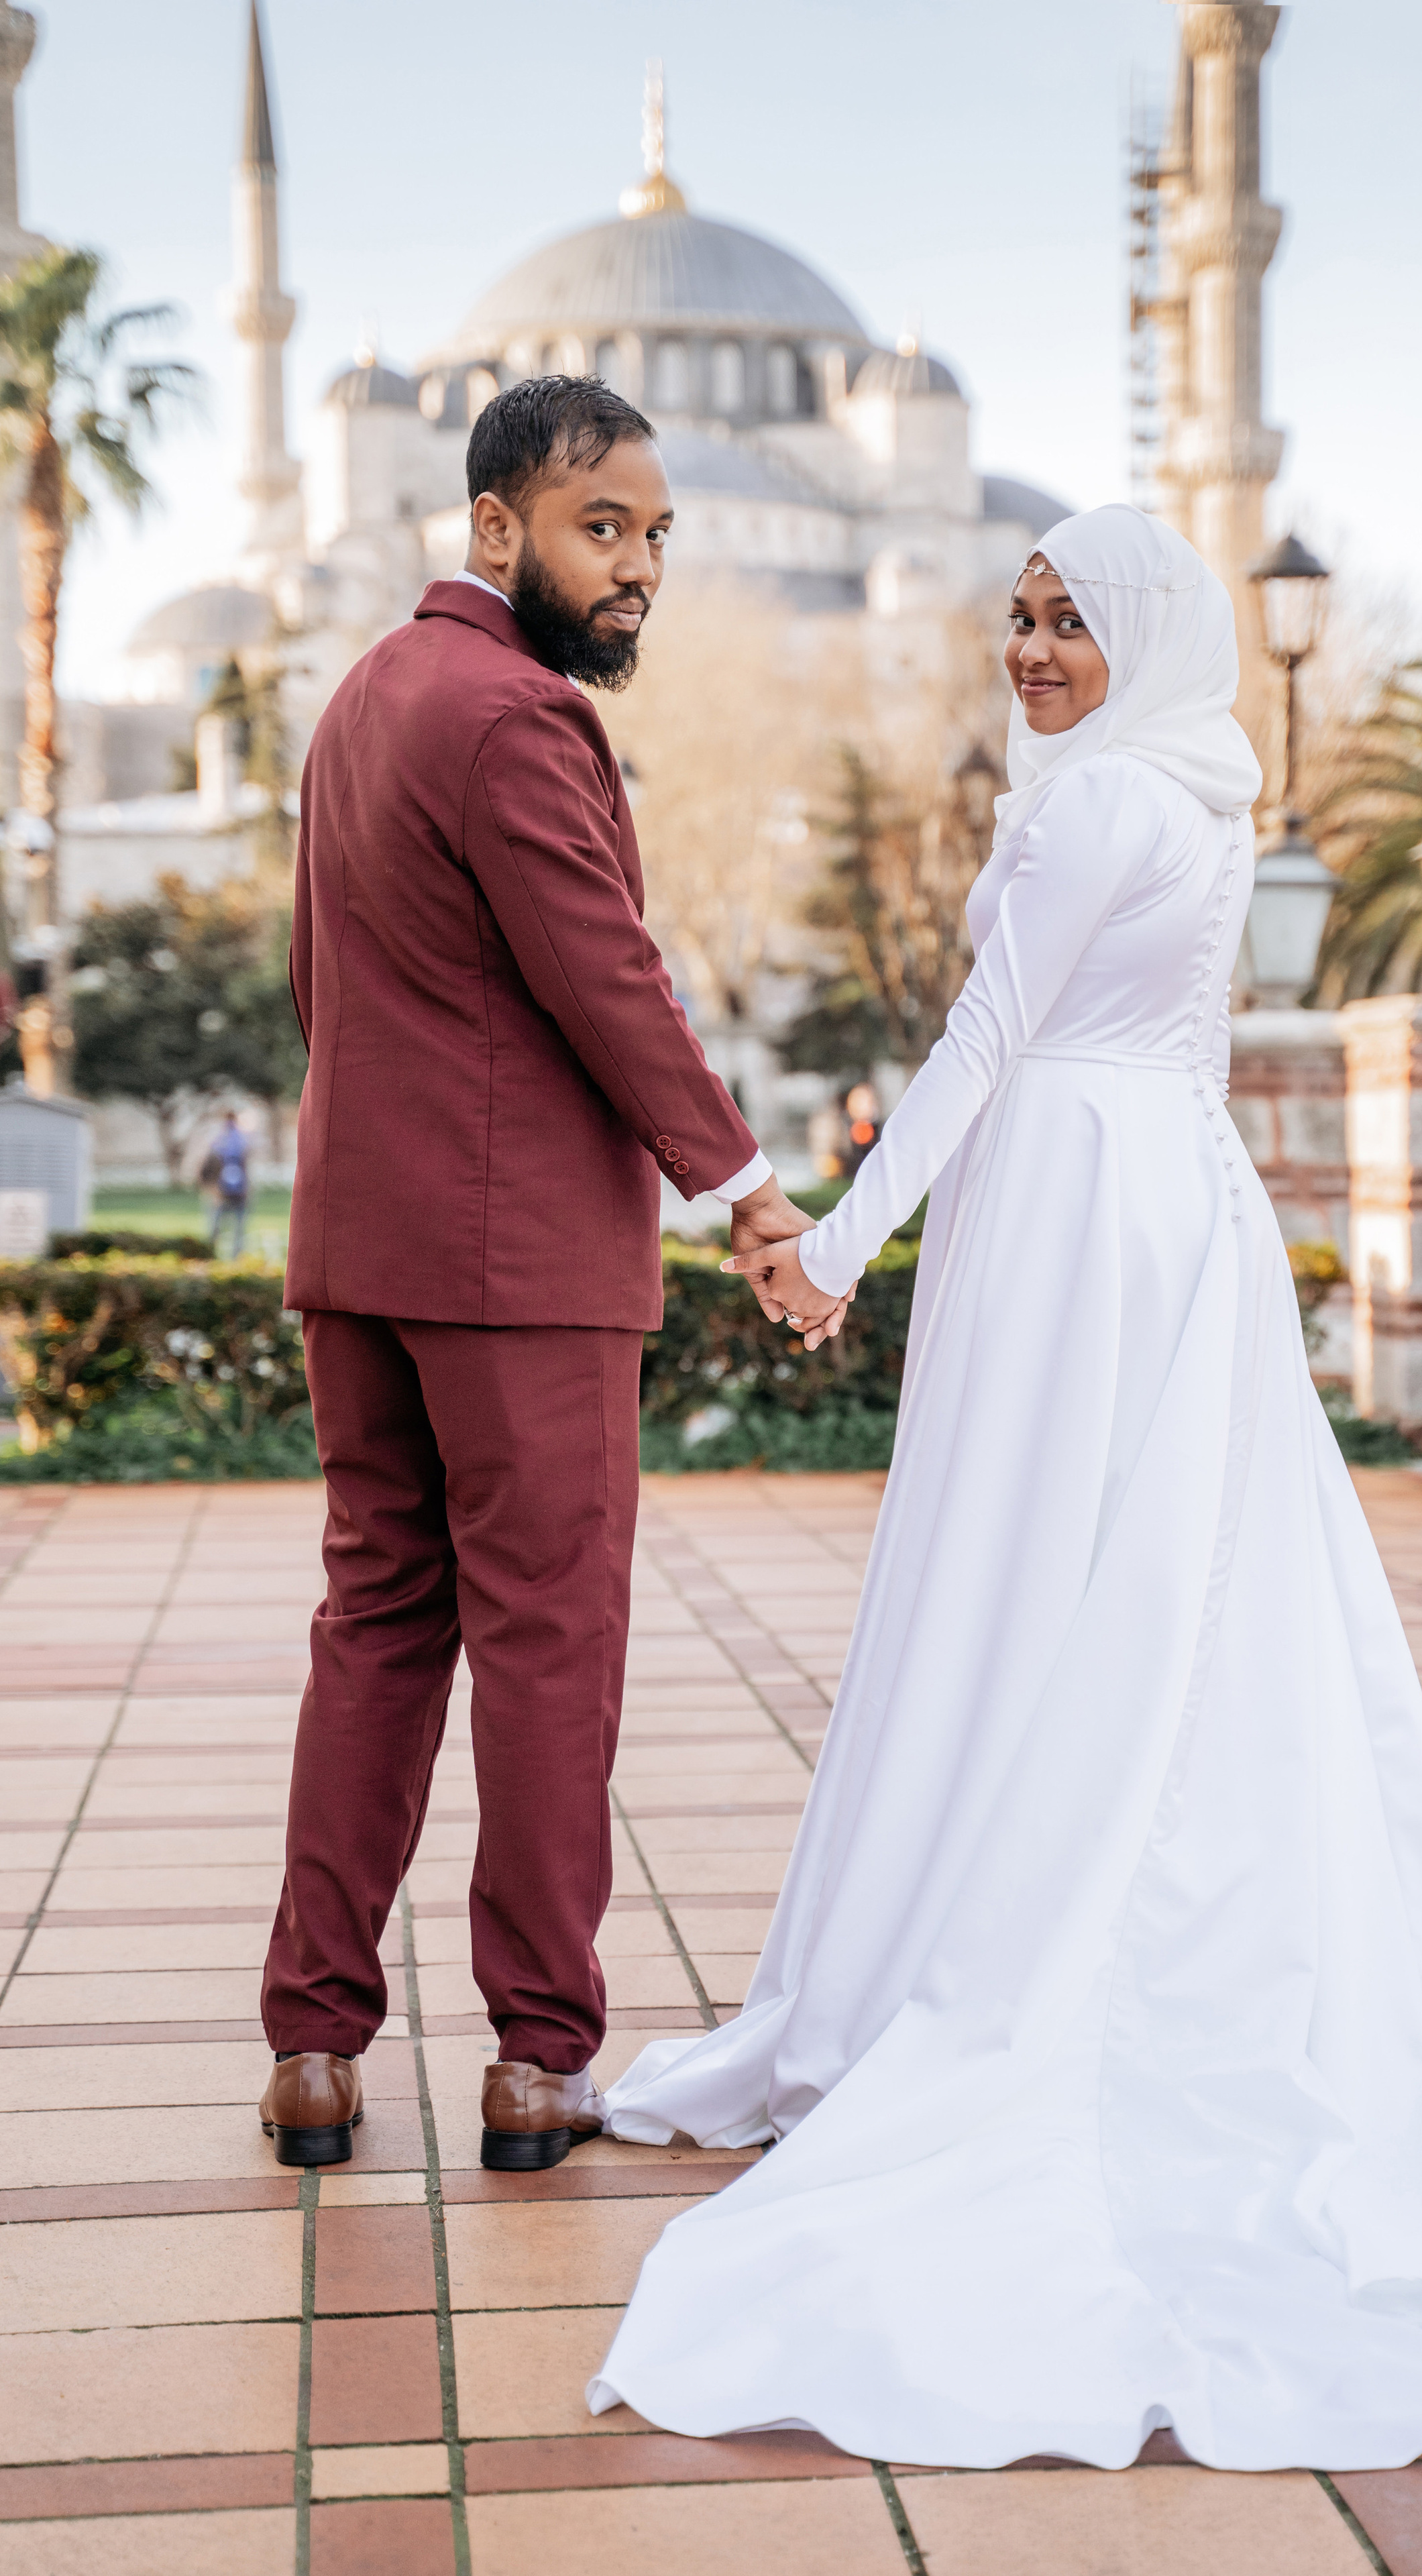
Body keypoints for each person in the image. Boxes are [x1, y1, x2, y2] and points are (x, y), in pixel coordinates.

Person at [590, 506, 1422, 2473]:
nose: (1030, 649)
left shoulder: (1096, 809)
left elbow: (987, 1035)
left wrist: (827, 1239)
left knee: (1030, 1573)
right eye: (1016, 616)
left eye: (1070, 620)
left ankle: (989, 1927)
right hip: (1165, 1201)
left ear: (1148, 636)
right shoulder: (1178, 788)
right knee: (1156, 1575)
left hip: (1079, 1206)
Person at [258, 377, 839, 2172]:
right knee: (548, 1649)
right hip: (518, 1271)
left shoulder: (362, 701)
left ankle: (313, 2047)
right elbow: (612, 981)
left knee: (375, 1628)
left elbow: (316, 988)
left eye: (660, 534)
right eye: (607, 528)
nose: (641, 566)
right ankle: (536, 2056)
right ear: (496, 527)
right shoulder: (521, 719)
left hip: (361, 1247)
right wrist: (746, 1188)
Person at [201, 1108, 251, 1257]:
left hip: (239, 1194)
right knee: (214, 1230)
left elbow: (246, 1170)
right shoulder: (216, 1146)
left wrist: (248, 1188)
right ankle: (210, 1257)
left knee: (239, 1232)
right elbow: (205, 1174)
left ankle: (236, 1261)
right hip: (220, 1195)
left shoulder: (242, 1144)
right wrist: (212, 1191)